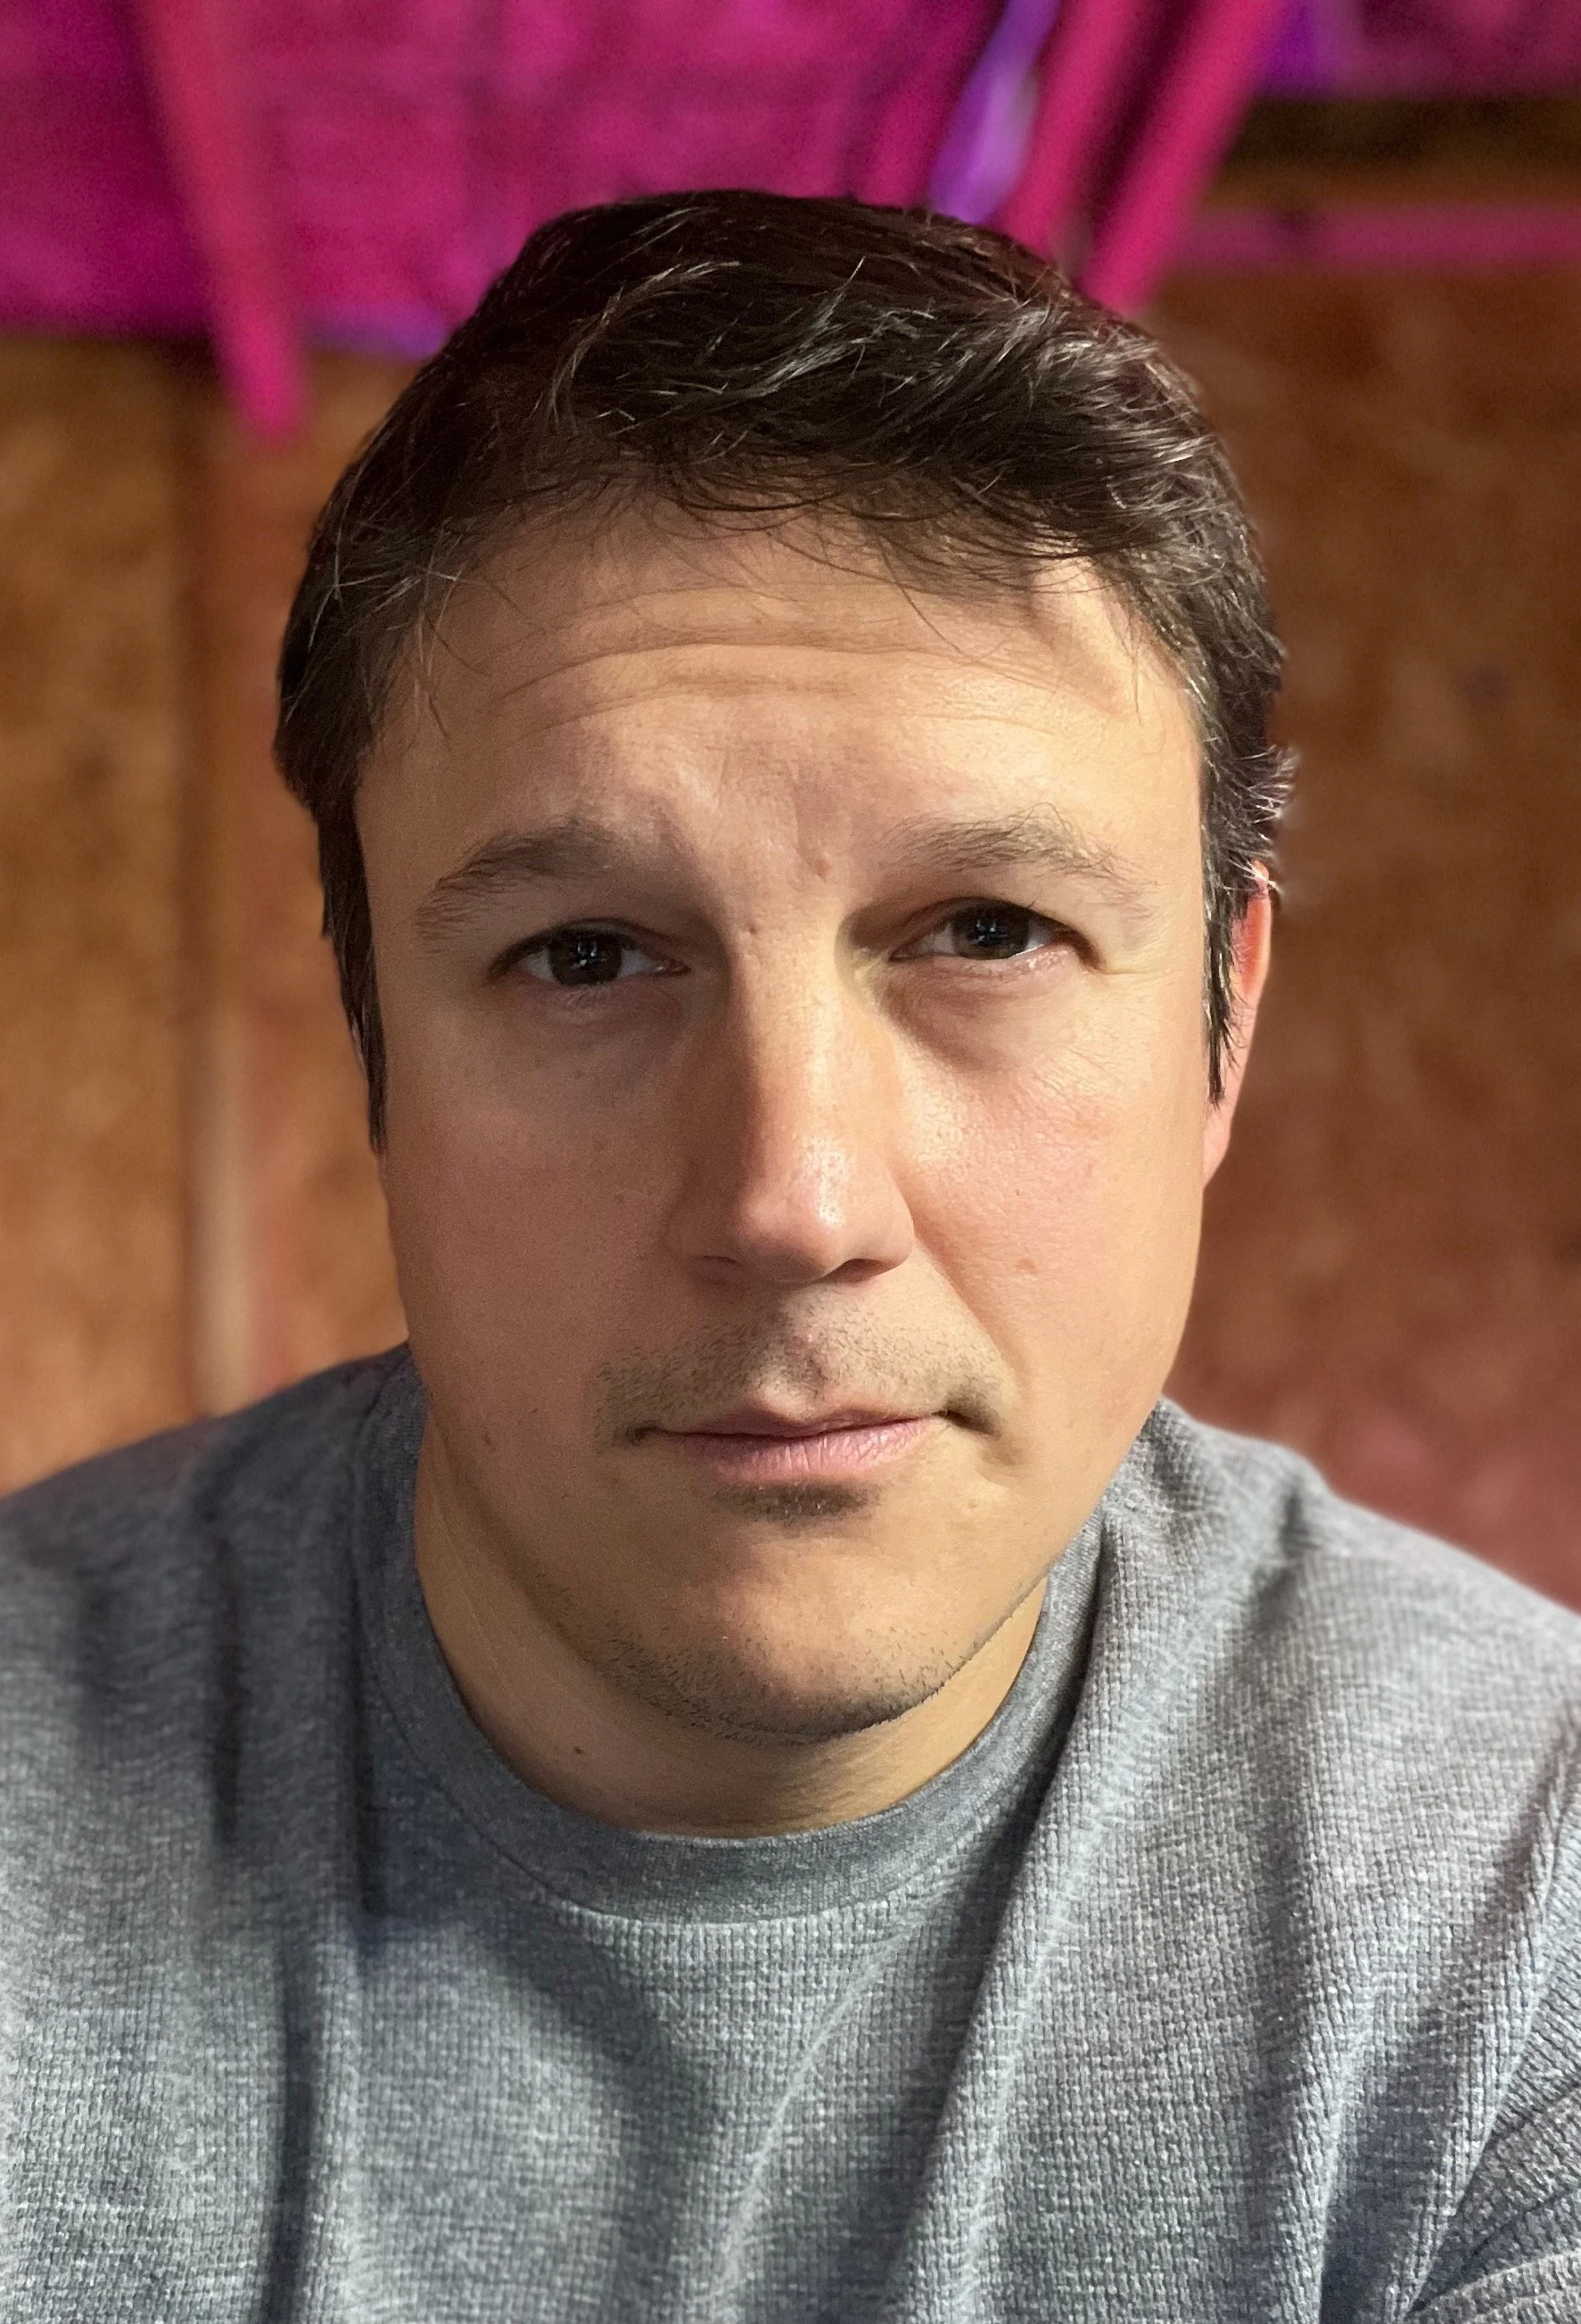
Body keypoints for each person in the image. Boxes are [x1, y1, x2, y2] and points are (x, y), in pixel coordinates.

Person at [2, 190, 1577, 2323]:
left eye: (986, 935)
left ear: (1222, 1023)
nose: (792, 1198)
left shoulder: (1514, 1905)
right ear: (372, 1049)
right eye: (582, 957)